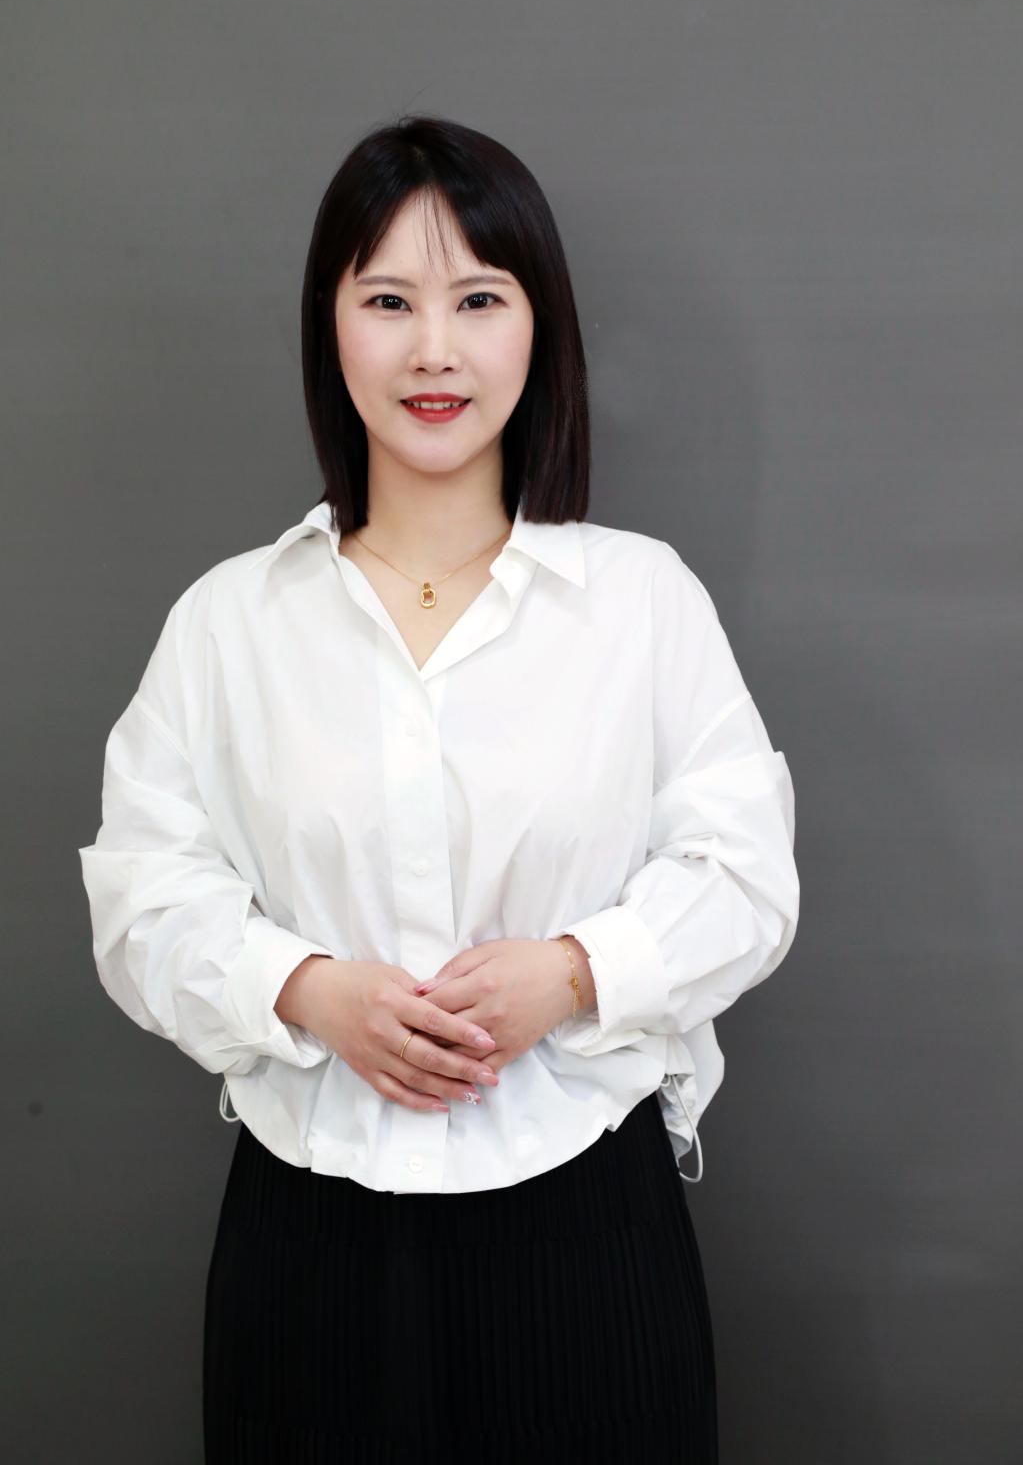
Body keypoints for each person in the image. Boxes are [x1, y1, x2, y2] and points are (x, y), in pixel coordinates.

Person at [78, 113, 800, 1463]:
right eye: (387, 301)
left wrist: (572, 974)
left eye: (478, 299)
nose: (433, 351)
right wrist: (307, 991)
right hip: (309, 1240)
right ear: (330, 327)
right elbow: (141, 896)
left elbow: (745, 878)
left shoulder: (641, 602)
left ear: (539, 327)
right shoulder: (231, 621)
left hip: (589, 1222)